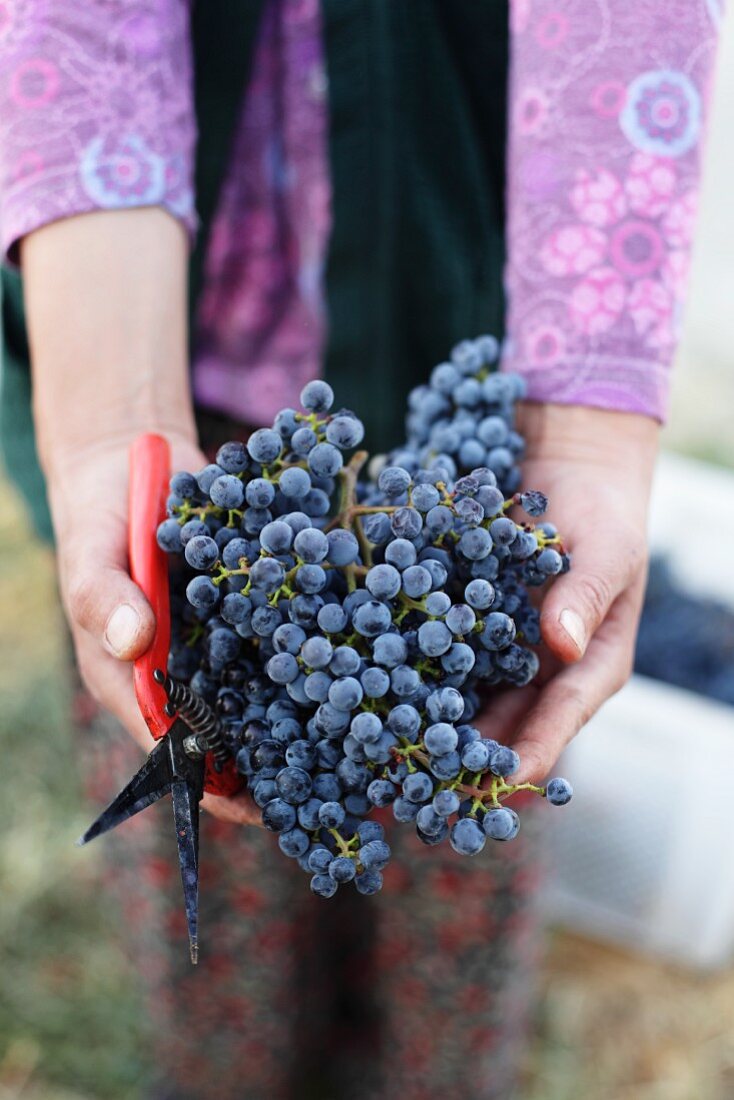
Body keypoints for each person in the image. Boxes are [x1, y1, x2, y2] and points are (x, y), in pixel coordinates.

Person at [0, 2, 722, 1097]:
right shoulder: (237, 534)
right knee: (212, 835)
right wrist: (110, 407)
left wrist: (585, 416)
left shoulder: (484, 534)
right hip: (187, 454)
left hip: (480, 420)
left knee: (466, 825)